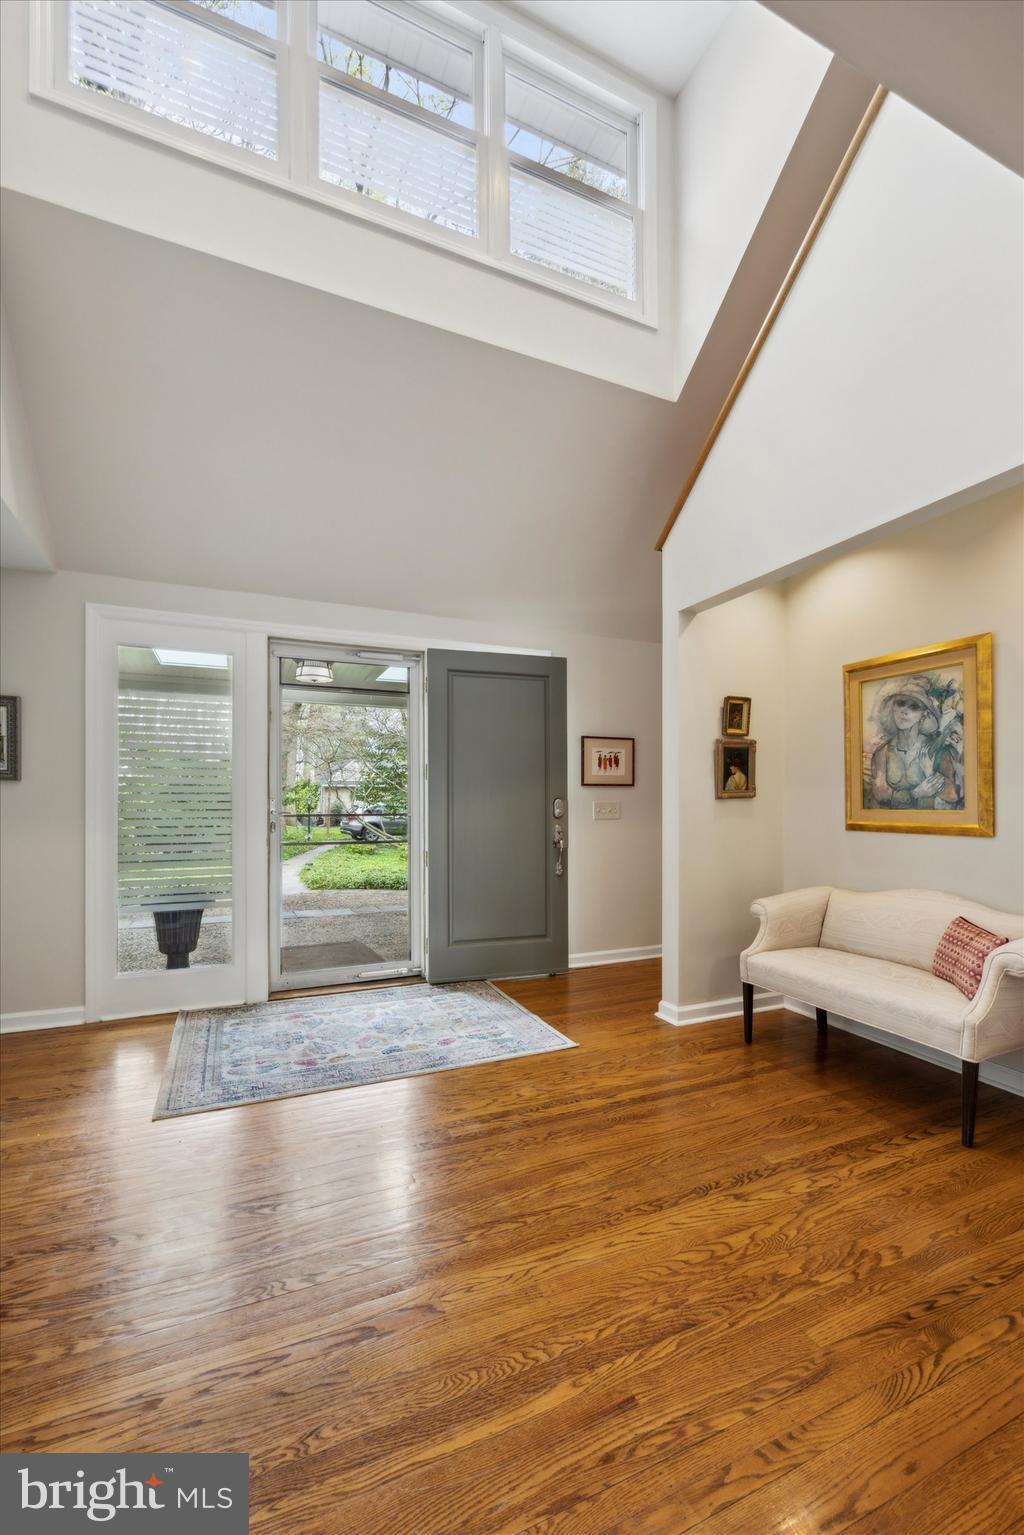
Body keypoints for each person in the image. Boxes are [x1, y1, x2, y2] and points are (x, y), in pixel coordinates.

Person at [866, 676, 943, 809]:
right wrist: (916, 793)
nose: (904, 711)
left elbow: (949, 794)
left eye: (914, 706)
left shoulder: (933, 747)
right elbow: (881, 795)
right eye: (901, 703)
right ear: (893, 708)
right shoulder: (882, 752)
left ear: (923, 714)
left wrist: (929, 773)